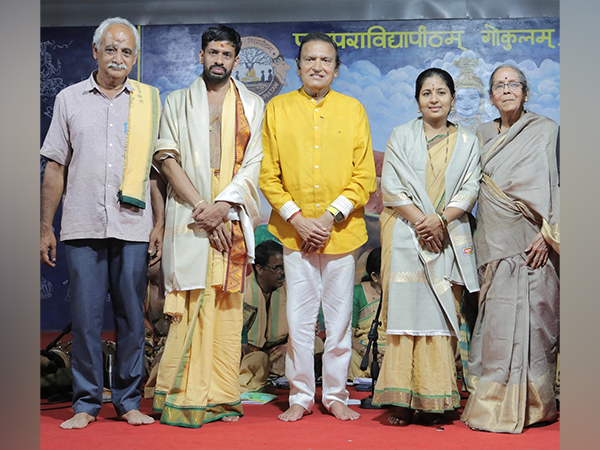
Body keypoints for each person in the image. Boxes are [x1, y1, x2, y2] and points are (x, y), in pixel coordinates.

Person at [40, 17, 164, 429]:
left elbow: (154, 172)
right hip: (81, 227)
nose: (118, 57)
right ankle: (85, 404)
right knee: (87, 319)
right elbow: (55, 167)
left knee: (132, 317)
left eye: (127, 51)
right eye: (110, 49)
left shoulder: (148, 100)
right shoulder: (69, 99)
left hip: (133, 228)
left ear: (135, 58)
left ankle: (129, 401)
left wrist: (159, 224)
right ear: (95, 51)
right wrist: (45, 227)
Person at [151, 25, 264, 428]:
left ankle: (218, 396)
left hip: (230, 216)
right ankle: (180, 396)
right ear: (201, 56)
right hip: (189, 215)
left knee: (226, 306)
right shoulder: (178, 101)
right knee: (189, 299)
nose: (219, 60)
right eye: (213, 52)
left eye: (227, 54)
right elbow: (165, 158)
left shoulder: (252, 105)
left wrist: (222, 207)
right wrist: (203, 207)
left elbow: (255, 165)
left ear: (236, 60)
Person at [260, 32, 377, 422]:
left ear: (336, 69)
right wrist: (299, 219)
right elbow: (268, 175)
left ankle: (337, 395)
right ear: (297, 67)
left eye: (325, 60)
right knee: (300, 320)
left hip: (341, 235)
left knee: (340, 319)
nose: (317, 66)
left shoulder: (353, 109)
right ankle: (300, 396)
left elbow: (364, 176)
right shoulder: (277, 109)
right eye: (310, 59)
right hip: (296, 235)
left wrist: (327, 219)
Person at [372, 68, 481, 426]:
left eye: (441, 92)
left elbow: (470, 188)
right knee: (404, 317)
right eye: (426, 93)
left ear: (452, 98)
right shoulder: (402, 135)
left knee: (439, 317)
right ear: (417, 100)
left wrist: (441, 220)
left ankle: (435, 399)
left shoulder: (467, 141)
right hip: (406, 234)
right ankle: (400, 400)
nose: (434, 99)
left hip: (447, 236)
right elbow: (391, 186)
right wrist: (423, 221)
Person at [461, 64, 560, 434]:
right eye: (498, 86)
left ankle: (536, 405)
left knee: (535, 324)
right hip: (494, 243)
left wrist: (549, 234)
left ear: (526, 91)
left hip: (536, 243)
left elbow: (561, 185)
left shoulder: (546, 131)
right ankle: (492, 401)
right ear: (490, 96)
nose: (506, 90)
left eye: (513, 84)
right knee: (497, 322)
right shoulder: (481, 134)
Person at [239, 239, 288, 392]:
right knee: (258, 360)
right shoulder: (242, 292)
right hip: (246, 356)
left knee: (315, 346)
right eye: (277, 268)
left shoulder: (289, 290)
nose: (283, 273)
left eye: (285, 267)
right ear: (259, 269)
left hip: (275, 352)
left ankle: (265, 376)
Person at [348, 247, 385, 380]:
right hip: (363, 350)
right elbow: (347, 335)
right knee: (346, 356)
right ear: (375, 276)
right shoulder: (357, 293)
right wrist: (366, 352)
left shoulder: (401, 293)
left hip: (392, 351)